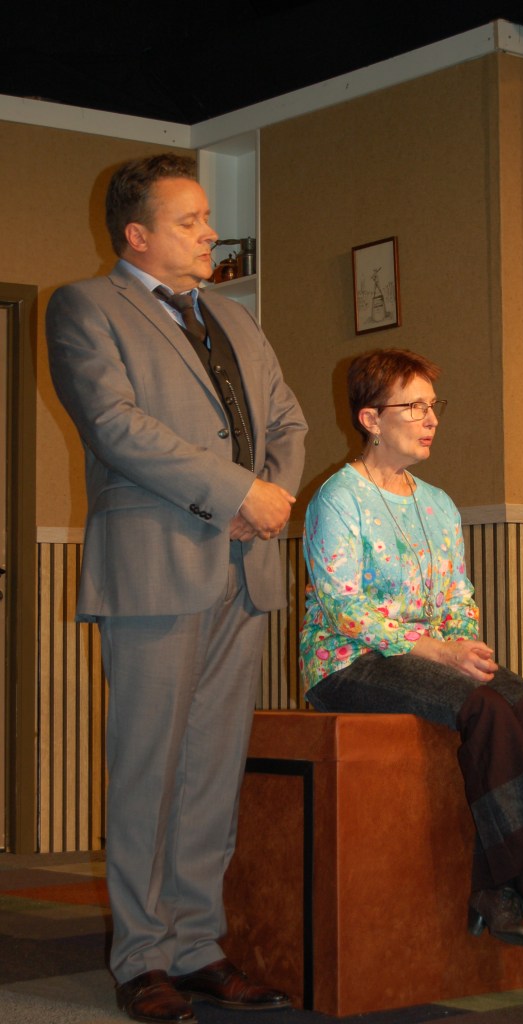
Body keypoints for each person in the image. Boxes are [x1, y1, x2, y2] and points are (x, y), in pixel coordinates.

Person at [46, 153, 307, 1024]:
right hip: (155, 565)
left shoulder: (233, 316)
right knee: (148, 769)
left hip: (244, 567)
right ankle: (141, 957)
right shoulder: (85, 306)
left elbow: (286, 421)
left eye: (207, 220)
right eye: (190, 222)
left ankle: (197, 947)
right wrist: (234, 493)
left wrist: (266, 499)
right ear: (137, 234)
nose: (209, 235)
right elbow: (115, 425)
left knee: (210, 772)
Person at [299, 348, 523, 953]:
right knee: (483, 707)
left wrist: (463, 643)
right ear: (370, 419)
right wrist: (440, 652)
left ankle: (493, 888)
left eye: (433, 405)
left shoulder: (438, 504)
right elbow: (343, 609)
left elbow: (459, 595)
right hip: (350, 663)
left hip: (430, 657)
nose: (431, 418)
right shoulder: (338, 497)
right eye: (414, 407)